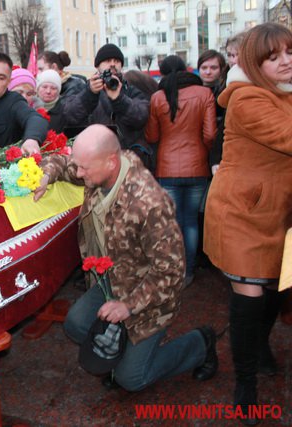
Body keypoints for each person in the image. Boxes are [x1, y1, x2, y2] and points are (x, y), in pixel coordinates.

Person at [34, 124, 218, 392]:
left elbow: (171, 273)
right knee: (75, 325)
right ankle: (122, 355)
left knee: (131, 379)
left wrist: (128, 306)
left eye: (84, 168)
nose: (79, 173)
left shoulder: (150, 204)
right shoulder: (100, 169)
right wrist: (46, 175)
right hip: (113, 280)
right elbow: (64, 164)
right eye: (79, 165)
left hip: (148, 296)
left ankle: (200, 344)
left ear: (111, 162)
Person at [204, 23, 292, 421]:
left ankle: (259, 347)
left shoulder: (284, 93)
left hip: (281, 213)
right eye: (273, 58)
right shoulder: (246, 98)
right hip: (244, 212)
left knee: (277, 289)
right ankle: (245, 382)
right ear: (255, 64)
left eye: (290, 53)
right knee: (249, 298)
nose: (285, 62)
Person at [145, 55, 216, 287]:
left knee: (171, 221)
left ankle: (172, 269)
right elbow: (210, 135)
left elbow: (152, 136)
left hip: (167, 168)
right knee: (191, 221)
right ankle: (189, 271)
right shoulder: (205, 94)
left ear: (163, 73)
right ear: (187, 69)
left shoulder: (157, 97)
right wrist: (201, 152)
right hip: (197, 167)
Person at [63, 43, 150, 150]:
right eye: (108, 61)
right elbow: (70, 115)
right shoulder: (82, 88)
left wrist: (119, 99)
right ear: (97, 65)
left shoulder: (131, 90)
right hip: (92, 151)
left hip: (123, 152)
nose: (112, 64)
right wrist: (89, 94)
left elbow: (140, 117)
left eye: (116, 61)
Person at [35, 69, 79, 137]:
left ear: (58, 91)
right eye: (44, 87)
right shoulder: (30, 106)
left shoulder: (65, 109)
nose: (48, 91)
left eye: (53, 88)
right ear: (37, 88)